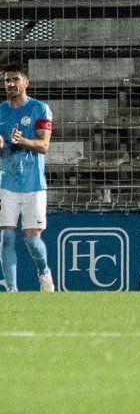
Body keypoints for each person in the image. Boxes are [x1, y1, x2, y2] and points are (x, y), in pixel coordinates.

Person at [0, 63, 54, 292]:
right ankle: (12, 290)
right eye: (6, 80)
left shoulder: (40, 109)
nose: (10, 84)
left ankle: (44, 273)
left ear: (26, 82)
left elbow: (44, 146)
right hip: (6, 182)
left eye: (15, 79)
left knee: (32, 239)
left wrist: (23, 141)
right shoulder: (1, 110)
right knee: (7, 237)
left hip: (33, 183)